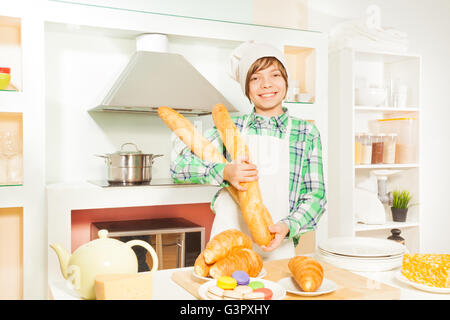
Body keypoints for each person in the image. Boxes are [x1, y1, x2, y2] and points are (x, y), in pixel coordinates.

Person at [171, 40, 326, 260]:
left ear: (286, 81)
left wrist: (288, 225)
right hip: (227, 246)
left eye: (274, 75)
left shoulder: (306, 132)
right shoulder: (229, 129)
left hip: (277, 247)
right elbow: (178, 167)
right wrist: (224, 172)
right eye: (255, 78)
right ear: (247, 89)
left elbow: (316, 195)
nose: (266, 84)